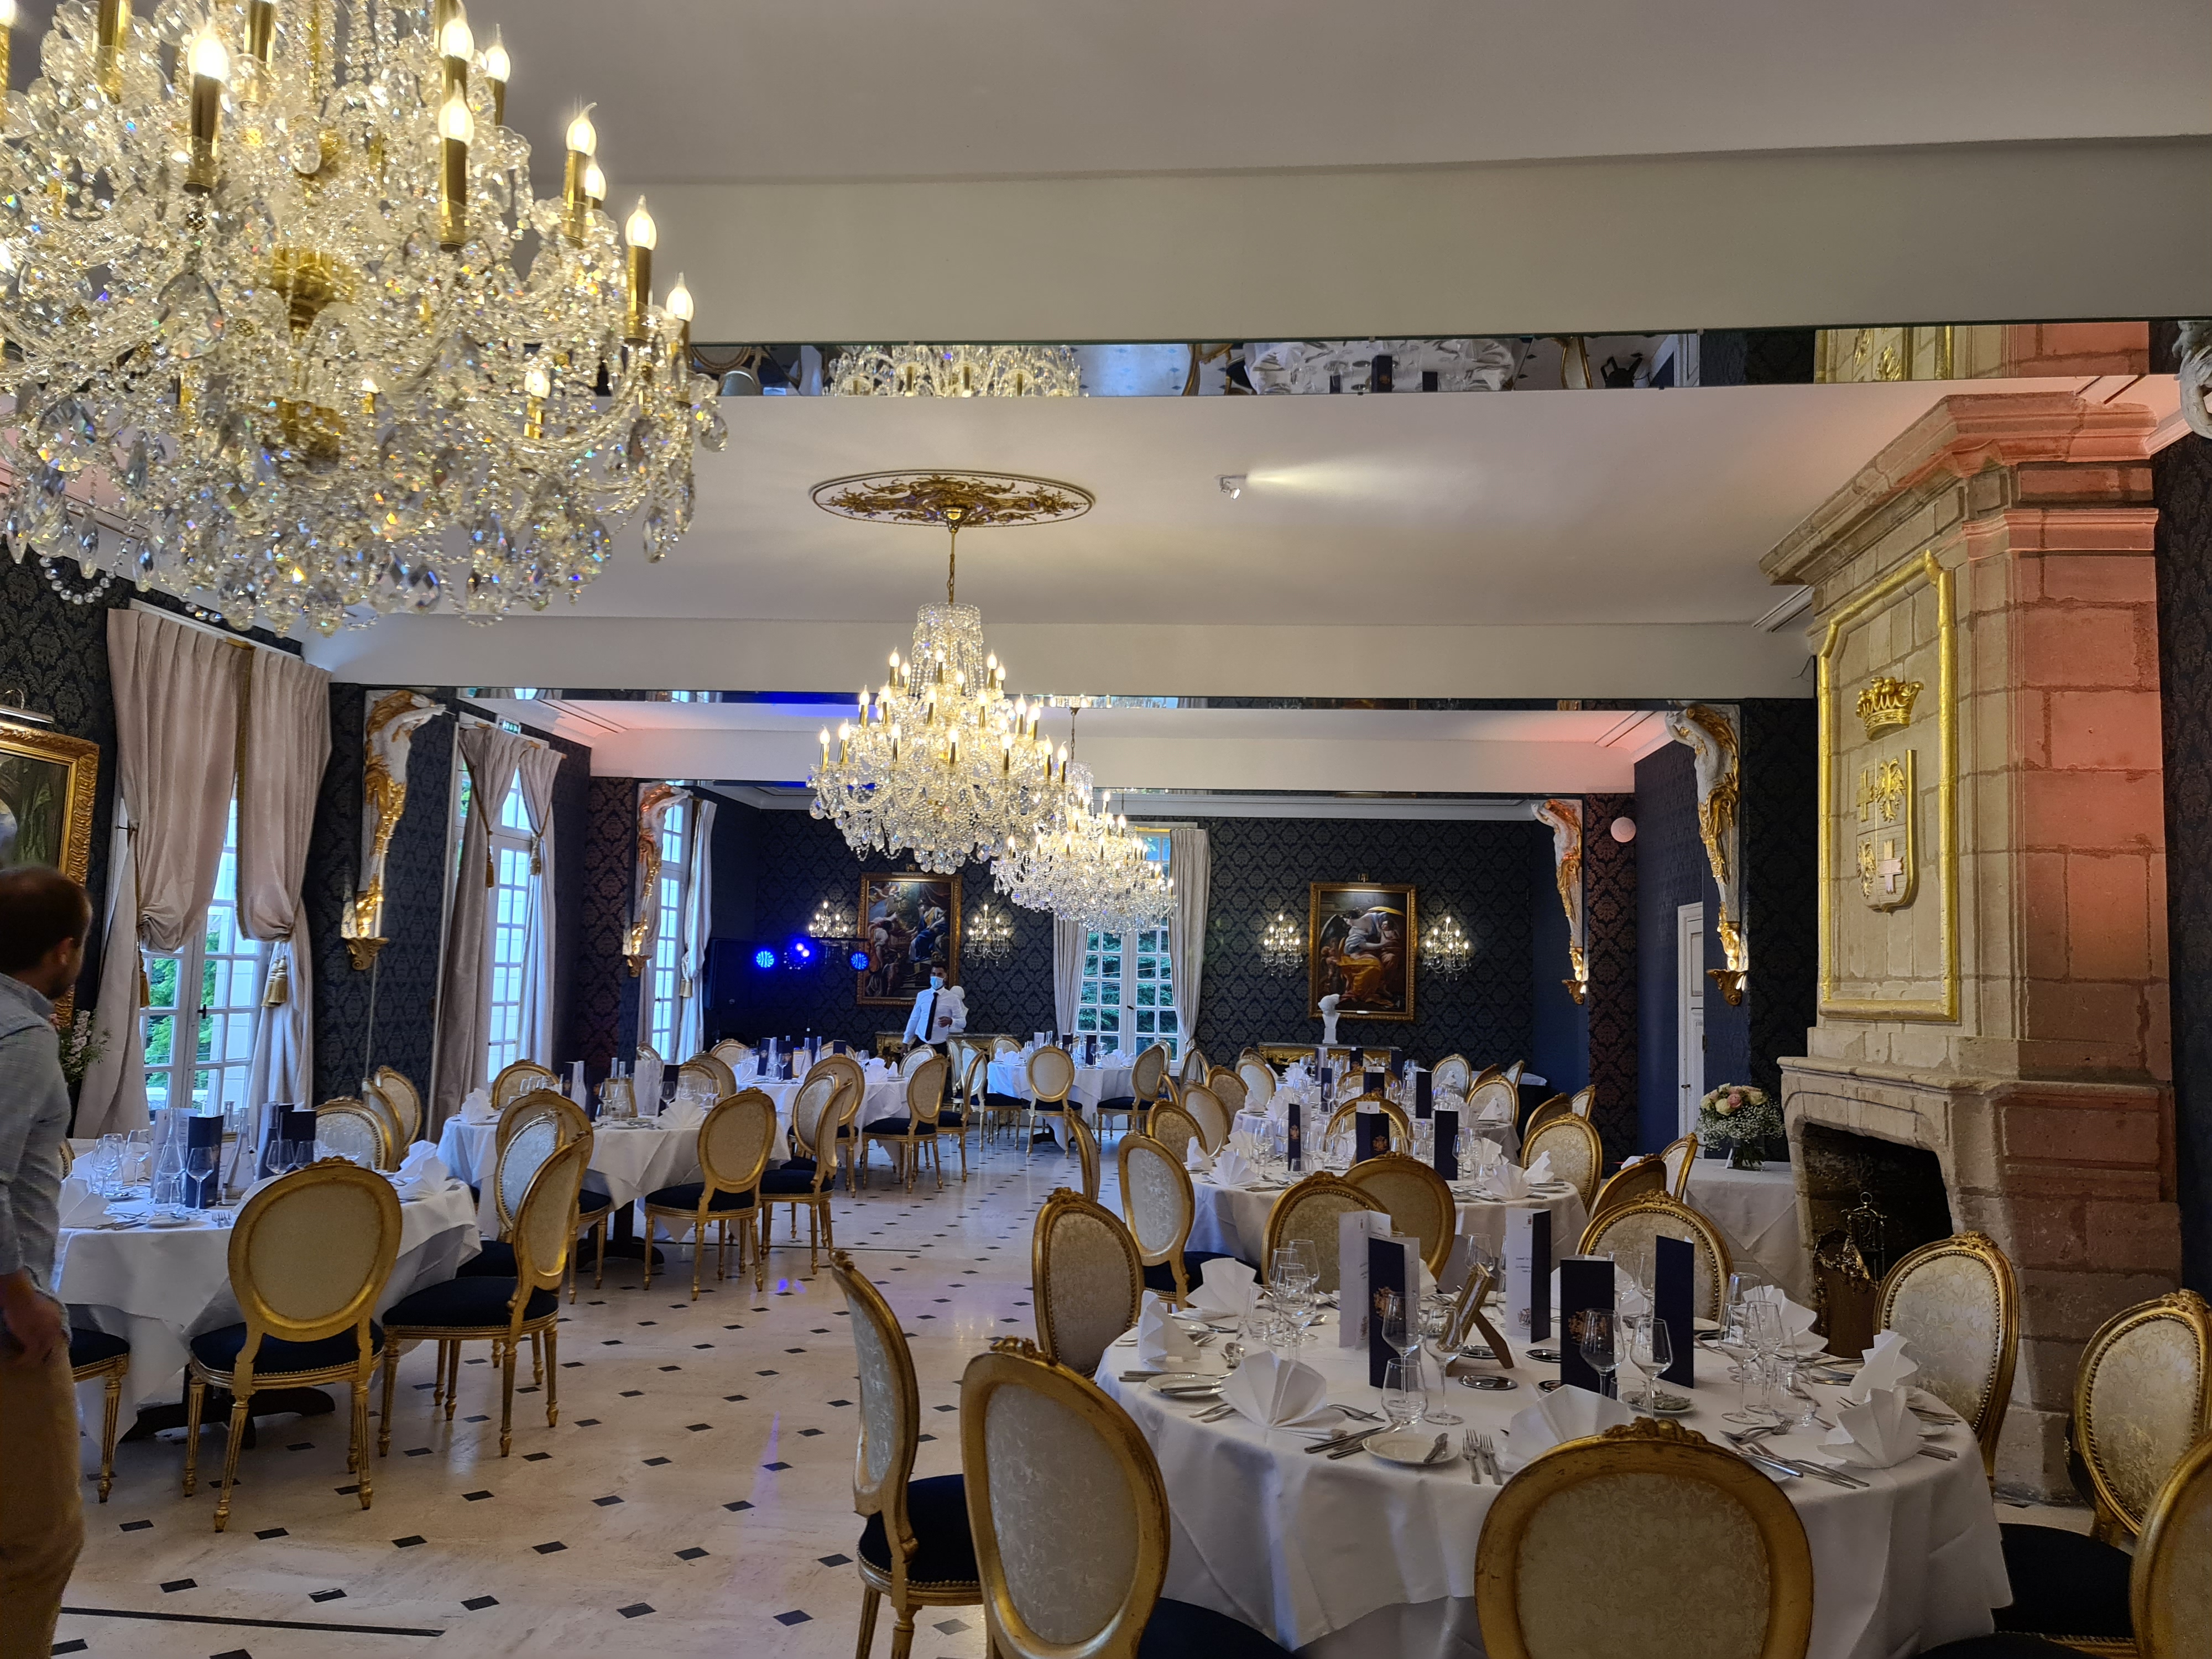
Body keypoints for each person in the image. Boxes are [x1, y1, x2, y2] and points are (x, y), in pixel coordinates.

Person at [0, 864, 91, 1659]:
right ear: (63, 951)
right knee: (43, 1537)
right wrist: (20, 1296)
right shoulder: (22, 1036)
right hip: (8, 1331)